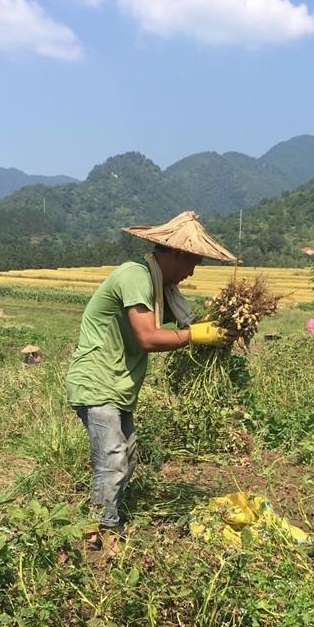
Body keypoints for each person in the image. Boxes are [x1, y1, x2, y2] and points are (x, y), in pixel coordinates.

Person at [65, 210, 238, 552]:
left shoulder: (161, 289)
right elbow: (148, 337)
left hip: (118, 386)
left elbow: (190, 319)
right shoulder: (135, 276)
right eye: (192, 263)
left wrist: (220, 324)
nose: (191, 272)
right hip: (97, 381)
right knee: (113, 456)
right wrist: (192, 336)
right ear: (174, 254)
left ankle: (109, 518)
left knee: (127, 455)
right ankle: (99, 532)